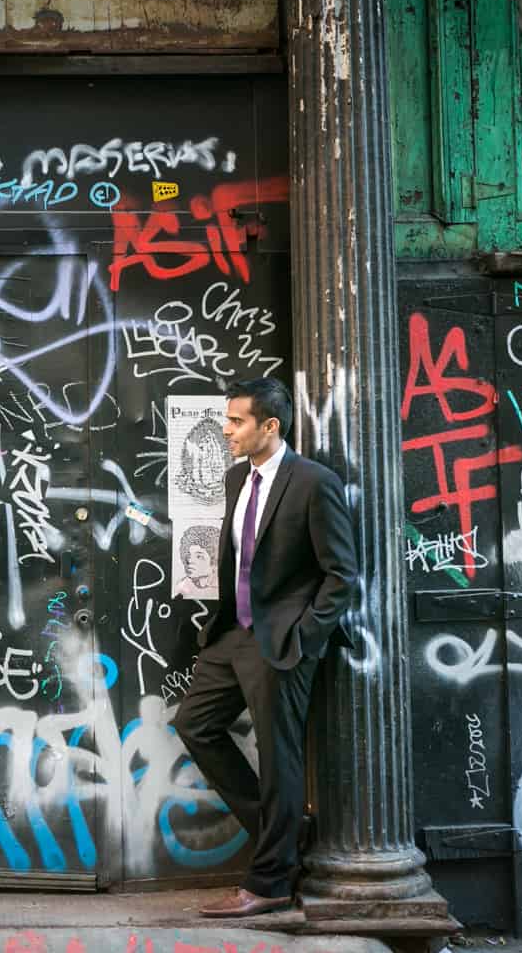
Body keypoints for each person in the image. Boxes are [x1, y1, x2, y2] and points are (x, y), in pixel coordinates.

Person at [173, 376, 358, 918]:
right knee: (195, 725)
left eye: (237, 421)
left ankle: (272, 881)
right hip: (232, 634)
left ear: (269, 426)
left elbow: (340, 574)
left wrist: (304, 638)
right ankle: (284, 835)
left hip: (282, 643)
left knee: (279, 760)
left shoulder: (313, 483)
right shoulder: (237, 479)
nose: (226, 430)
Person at [175, 525, 220, 599]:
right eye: (189, 555)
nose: (190, 560)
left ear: (214, 560)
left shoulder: (224, 587)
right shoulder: (183, 585)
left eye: (199, 556)